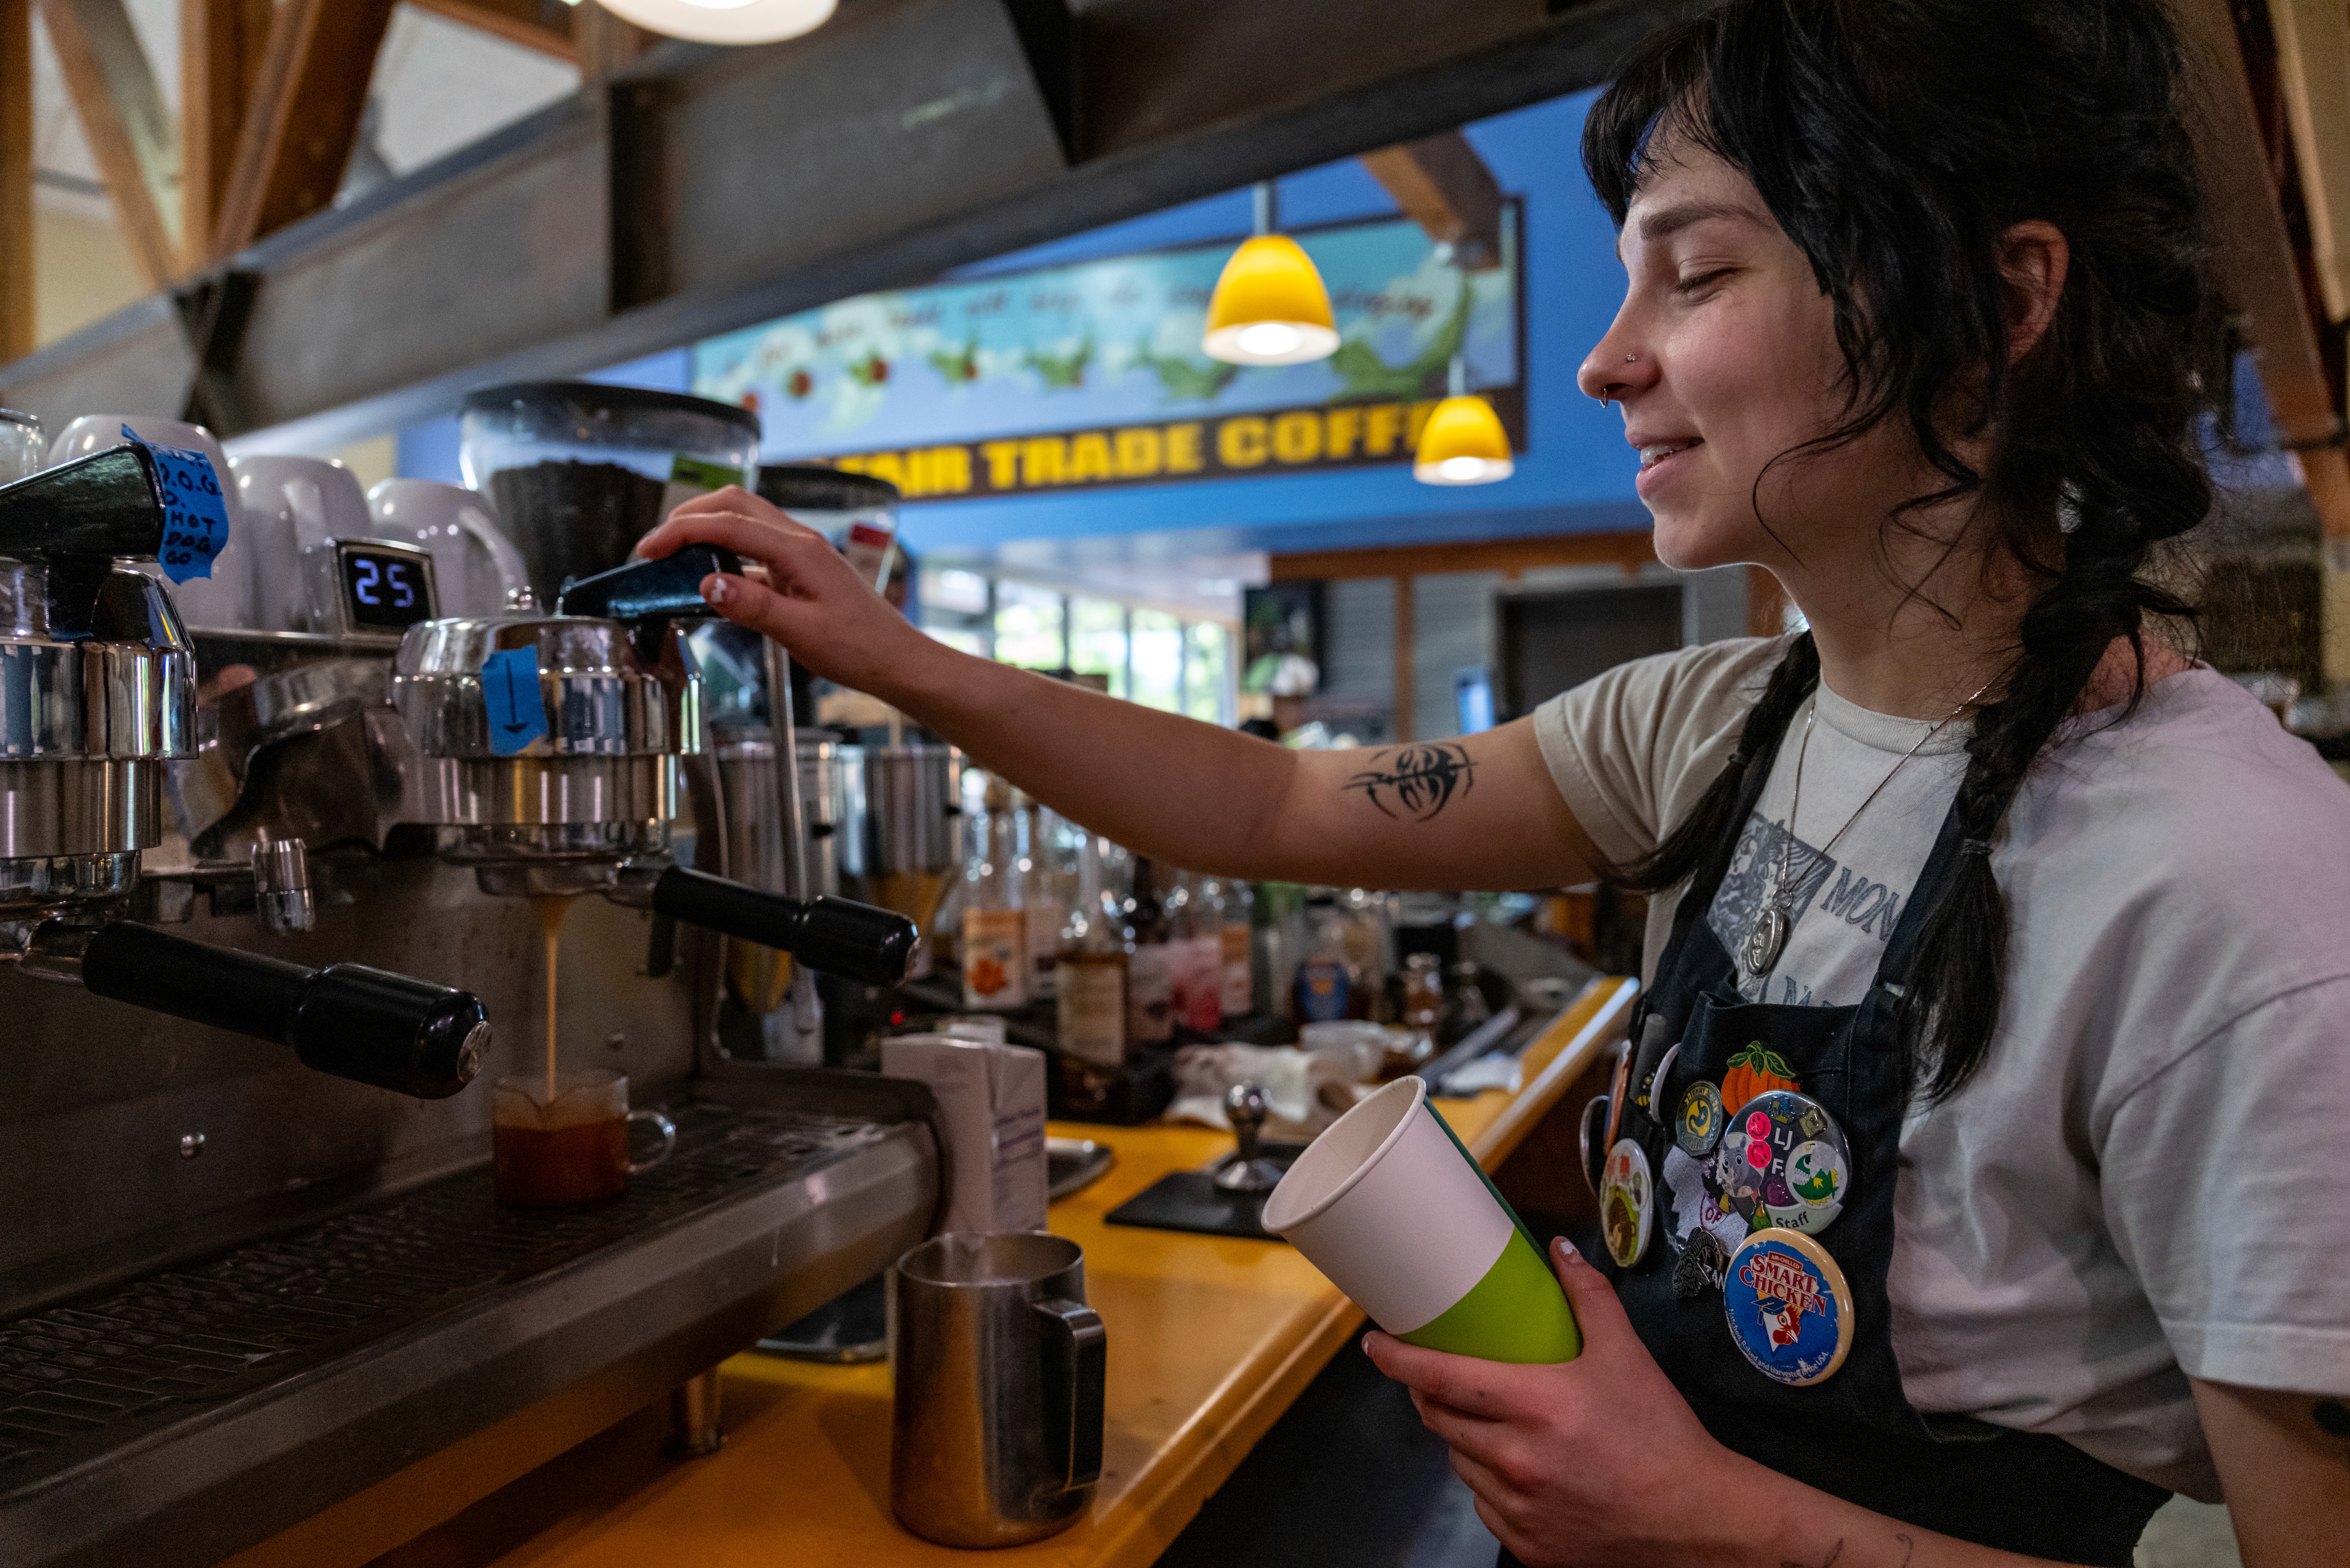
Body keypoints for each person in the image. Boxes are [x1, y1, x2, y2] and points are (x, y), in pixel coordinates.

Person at [636, 2, 2350, 1560]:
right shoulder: (1716, 726)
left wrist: (1706, 1517)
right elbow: (1279, 807)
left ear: (2001, 299)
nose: (1608, 361)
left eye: (1696, 275)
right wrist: (900, 659)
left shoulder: (2230, 880)